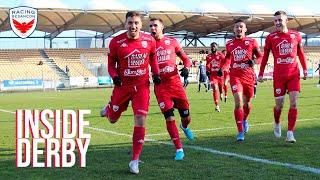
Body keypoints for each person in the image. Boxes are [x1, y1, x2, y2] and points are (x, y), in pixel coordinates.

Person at [100, 11, 161, 174]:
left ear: (141, 25)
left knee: (140, 119)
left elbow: (153, 58)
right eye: (130, 23)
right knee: (112, 120)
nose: (133, 26)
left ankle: (134, 160)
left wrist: (156, 74)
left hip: (142, 87)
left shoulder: (149, 40)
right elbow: (111, 64)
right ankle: (109, 109)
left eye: (136, 23)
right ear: (125, 24)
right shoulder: (116, 42)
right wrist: (114, 77)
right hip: (122, 87)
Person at [258, 11, 308, 143]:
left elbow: (301, 54)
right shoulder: (270, 37)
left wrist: (305, 69)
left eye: (280, 20)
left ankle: (290, 133)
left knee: (294, 103)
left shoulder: (296, 35)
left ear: (286, 20)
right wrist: (261, 73)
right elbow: (265, 58)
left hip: (293, 74)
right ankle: (277, 122)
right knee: (279, 106)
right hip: (279, 76)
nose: (277, 23)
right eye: (275, 21)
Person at [149, 18, 194, 160]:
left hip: (176, 84)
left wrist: (186, 68)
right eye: (150, 26)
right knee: (169, 117)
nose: (152, 28)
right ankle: (179, 149)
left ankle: (185, 127)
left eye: (155, 25)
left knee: (186, 116)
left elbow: (186, 59)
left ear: (162, 27)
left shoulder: (172, 42)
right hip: (160, 87)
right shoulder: (147, 44)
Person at [220, 19, 262, 141]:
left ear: (245, 29)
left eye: (241, 27)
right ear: (234, 29)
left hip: (248, 77)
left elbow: (260, 56)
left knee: (247, 103)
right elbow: (228, 58)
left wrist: (253, 61)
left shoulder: (252, 42)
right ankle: (240, 132)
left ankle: (244, 119)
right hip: (235, 76)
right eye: (236, 27)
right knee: (238, 101)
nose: (239, 29)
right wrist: (222, 68)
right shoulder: (229, 44)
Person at [206, 42, 225, 112]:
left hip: (220, 76)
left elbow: (225, 62)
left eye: (214, 46)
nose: (213, 48)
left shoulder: (221, 55)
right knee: (214, 88)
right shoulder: (208, 56)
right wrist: (207, 70)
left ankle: (221, 93)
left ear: (217, 47)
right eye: (211, 46)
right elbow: (207, 65)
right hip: (213, 76)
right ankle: (217, 105)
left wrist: (221, 69)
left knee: (220, 88)